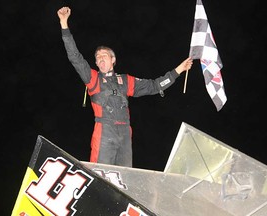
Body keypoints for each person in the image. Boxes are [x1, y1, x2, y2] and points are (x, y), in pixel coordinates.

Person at [57, 6, 193, 167]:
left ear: (113, 60)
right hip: (104, 132)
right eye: (97, 57)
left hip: (125, 134)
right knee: (100, 172)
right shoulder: (93, 78)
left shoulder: (126, 80)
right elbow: (75, 57)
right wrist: (64, 24)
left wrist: (178, 71)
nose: (100, 58)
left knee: (124, 175)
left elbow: (155, 86)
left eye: (104, 55)